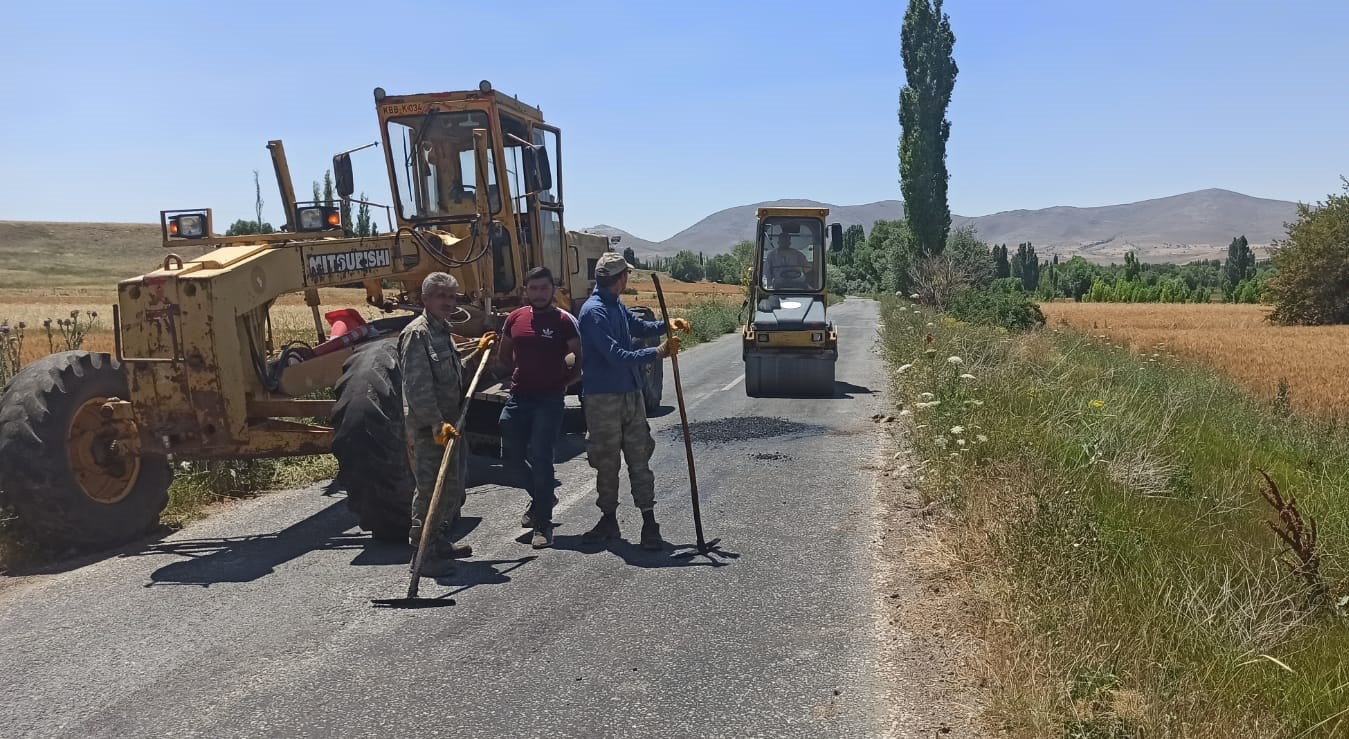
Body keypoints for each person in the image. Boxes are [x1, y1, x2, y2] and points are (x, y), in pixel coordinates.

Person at [577, 253, 691, 550]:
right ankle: (608, 518)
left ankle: (649, 522)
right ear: (620, 279)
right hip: (603, 398)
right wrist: (657, 353)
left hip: (631, 393)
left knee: (639, 457)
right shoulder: (593, 312)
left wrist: (668, 324)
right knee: (607, 460)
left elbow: (639, 328)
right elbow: (616, 357)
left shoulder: (615, 305)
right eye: (626, 275)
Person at [498, 266, 581, 549]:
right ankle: (543, 497)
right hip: (520, 396)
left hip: (549, 399)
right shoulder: (514, 318)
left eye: (544, 288)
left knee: (542, 457)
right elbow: (504, 355)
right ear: (526, 291)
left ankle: (543, 524)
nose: (538, 293)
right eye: (533, 288)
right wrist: (521, 374)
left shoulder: (564, 321)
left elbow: (580, 357)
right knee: (511, 455)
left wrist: (564, 383)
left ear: (552, 289)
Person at [400, 272, 473, 577]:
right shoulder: (418, 334)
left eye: (452, 296)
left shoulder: (443, 330)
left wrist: (476, 351)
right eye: (441, 296)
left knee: (450, 490)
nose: (448, 302)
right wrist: (435, 423)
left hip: (449, 427)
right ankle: (421, 555)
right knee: (430, 490)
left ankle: (438, 539)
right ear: (425, 299)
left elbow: (447, 375)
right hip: (430, 429)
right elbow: (418, 388)